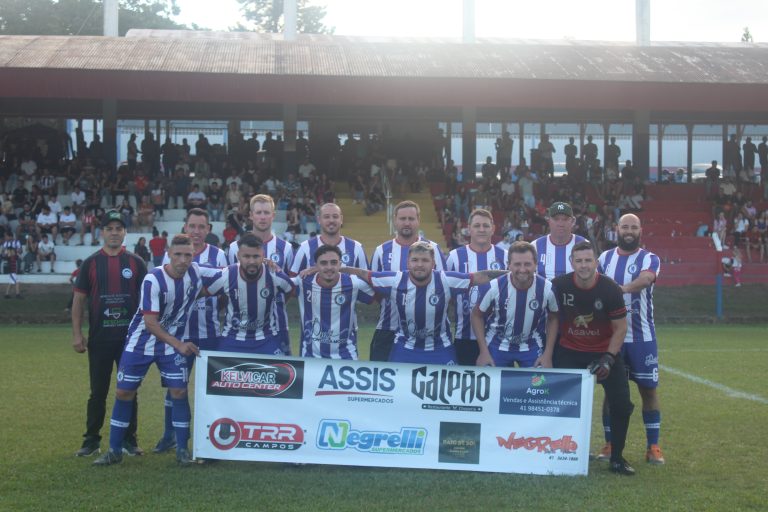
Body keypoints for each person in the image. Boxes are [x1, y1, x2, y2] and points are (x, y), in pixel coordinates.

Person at [93, 234, 209, 466]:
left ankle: (182, 451)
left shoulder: (196, 272)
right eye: (178, 254)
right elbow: (151, 323)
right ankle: (114, 450)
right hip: (141, 343)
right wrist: (179, 345)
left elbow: (228, 274)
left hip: (170, 345)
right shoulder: (153, 279)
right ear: (168, 253)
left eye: (188, 255)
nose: (183, 260)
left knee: (179, 392)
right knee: (124, 393)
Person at [538, 240, 635, 476]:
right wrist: (547, 353)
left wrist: (609, 359)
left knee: (622, 404)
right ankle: (558, 452)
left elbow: (621, 328)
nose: (583, 265)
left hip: (603, 352)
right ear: (572, 263)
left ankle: (617, 458)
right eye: (579, 261)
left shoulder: (610, 288)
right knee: (558, 404)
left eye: (588, 260)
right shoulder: (558, 286)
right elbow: (548, 316)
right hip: (569, 351)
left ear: (596, 262)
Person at [343, 242, 506, 364]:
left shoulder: (446, 280)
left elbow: (479, 276)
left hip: (440, 348)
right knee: (398, 395)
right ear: (408, 263)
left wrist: (512, 273)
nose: (419, 264)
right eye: (415, 260)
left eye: (424, 260)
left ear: (433, 263)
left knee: (447, 394)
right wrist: (335, 269)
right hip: (405, 347)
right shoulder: (395, 280)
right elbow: (364, 274)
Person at [71, 210, 147, 458]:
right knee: (98, 392)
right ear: (102, 232)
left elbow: (147, 301)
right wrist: (77, 334)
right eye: (110, 228)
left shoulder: (136, 263)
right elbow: (79, 300)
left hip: (130, 340)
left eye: (119, 228)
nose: (114, 233)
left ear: (125, 232)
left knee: (129, 390)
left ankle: (129, 439)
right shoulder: (91, 263)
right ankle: (91, 440)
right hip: (100, 339)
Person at [153, 209, 227, 454]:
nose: (196, 231)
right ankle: (169, 435)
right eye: (192, 226)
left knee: (214, 390)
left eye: (201, 227)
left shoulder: (218, 255)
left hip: (211, 334)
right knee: (175, 387)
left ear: (208, 229)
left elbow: (225, 287)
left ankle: (213, 439)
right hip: (178, 335)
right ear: (185, 227)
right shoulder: (171, 255)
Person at [598, 214, 665, 465]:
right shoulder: (604, 258)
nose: (629, 230)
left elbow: (647, 279)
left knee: (648, 390)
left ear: (640, 230)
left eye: (633, 227)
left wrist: (622, 289)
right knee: (610, 392)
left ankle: (653, 447)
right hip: (612, 336)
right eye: (624, 226)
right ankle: (610, 443)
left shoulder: (650, 258)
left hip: (642, 337)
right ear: (617, 229)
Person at [369, 200, 446, 361]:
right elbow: (374, 288)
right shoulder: (381, 251)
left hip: (428, 333)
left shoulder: (434, 249)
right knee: (382, 382)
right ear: (395, 220)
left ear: (418, 221)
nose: (407, 223)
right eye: (402, 218)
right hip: (388, 328)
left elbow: (444, 287)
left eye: (411, 219)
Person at [472, 241, 558, 368]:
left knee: (539, 384)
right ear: (508, 265)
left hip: (531, 344)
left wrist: (548, 354)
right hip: (497, 343)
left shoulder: (547, 288)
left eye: (527, 264)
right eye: (517, 264)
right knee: (494, 386)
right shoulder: (493, 287)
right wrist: (483, 352)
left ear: (535, 265)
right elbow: (476, 315)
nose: (522, 269)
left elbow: (553, 318)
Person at [228, 194, 295, 354]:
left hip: (277, 325)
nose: (262, 217)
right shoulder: (234, 248)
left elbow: (290, 287)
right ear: (251, 215)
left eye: (266, 212)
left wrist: (273, 302)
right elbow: (228, 285)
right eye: (258, 213)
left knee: (280, 375)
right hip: (241, 325)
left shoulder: (285, 248)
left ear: (273, 215)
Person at [208, 233, 294, 355]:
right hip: (232, 339)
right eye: (246, 256)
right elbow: (206, 291)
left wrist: (273, 300)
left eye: (256, 256)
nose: (251, 261)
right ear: (238, 256)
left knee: (278, 371)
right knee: (219, 372)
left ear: (263, 256)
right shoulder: (228, 274)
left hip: (266, 339)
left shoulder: (274, 274)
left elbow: (290, 289)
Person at [446, 209, 507, 365]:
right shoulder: (454, 256)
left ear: (493, 228)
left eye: (486, 226)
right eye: (477, 225)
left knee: (495, 386)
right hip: (464, 336)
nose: (481, 229)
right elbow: (448, 293)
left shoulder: (506, 256)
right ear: (469, 228)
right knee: (465, 385)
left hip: (498, 338)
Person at [293, 245, 375, 359]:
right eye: (323, 263)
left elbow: (377, 291)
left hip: (346, 356)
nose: (329, 267)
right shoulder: (303, 282)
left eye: (334, 262)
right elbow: (279, 283)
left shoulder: (353, 283)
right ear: (315, 266)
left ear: (340, 264)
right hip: (311, 357)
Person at [290, 202, 367, 274]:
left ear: (341, 219)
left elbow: (367, 280)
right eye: (326, 217)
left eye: (335, 216)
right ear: (319, 220)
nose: (331, 220)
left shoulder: (356, 248)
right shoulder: (305, 247)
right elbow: (293, 280)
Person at [534, 202, 586, 279]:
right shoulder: (535, 246)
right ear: (548, 220)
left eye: (565, 219)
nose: (560, 224)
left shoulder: (584, 245)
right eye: (556, 219)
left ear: (573, 221)